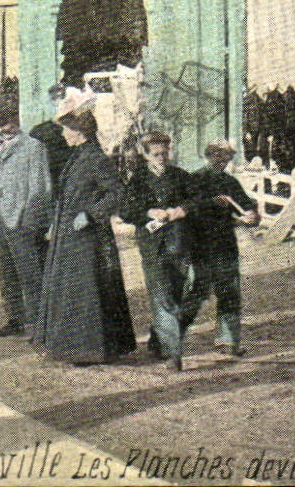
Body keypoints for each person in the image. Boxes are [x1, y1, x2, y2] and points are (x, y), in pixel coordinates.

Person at [34, 88, 135, 364]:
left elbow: (117, 193)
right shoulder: (78, 156)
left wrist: (91, 214)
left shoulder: (95, 158)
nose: (64, 134)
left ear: (79, 130)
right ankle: (71, 347)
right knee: (70, 291)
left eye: (67, 130)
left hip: (87, 238)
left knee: (86, 291)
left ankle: (90, 350)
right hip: (69, 236)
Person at [119, 130, 194, 369]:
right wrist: (149, 212)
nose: (162, 158)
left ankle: (158, 341)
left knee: (177, 294)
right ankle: (174, 353)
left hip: (179, 243)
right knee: (162, 296)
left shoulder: (181, 176)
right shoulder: (137, 180)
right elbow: (126, 211)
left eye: (165, 153)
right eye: (156, 154)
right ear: (146, 155)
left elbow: (200, 200)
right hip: (152, 247)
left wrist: (183, 209)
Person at [179, 141, 258, 358]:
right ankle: (170, 339)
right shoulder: (193, 180)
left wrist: (252, 215)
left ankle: (229, 341)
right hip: (200, 246)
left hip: (225, 245)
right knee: (196, 293)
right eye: (218, 159)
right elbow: (185, 211)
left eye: (226, 160)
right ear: (208, 156)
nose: (222, 164)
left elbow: (246, 204)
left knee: (230, 292)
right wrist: (212, 203)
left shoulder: (230, 182)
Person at [0, 102, 52, 338]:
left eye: (4, 123)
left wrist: (33, 221)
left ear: (15, 119)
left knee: (29, 273)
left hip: (21, 220)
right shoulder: (2, 146)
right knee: (6, 273)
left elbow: (40, 188)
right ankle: (15, 318)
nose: (1, 129)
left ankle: (36, 323)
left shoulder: (33, 147)